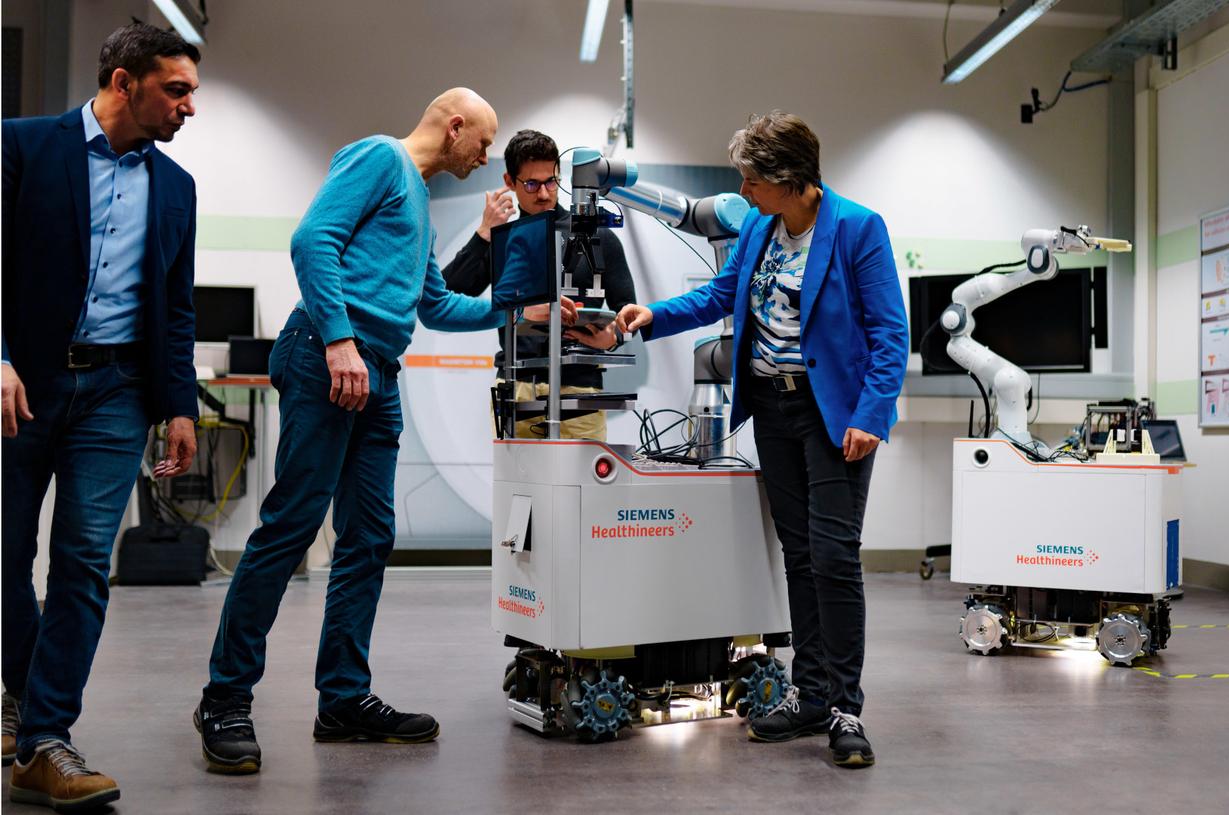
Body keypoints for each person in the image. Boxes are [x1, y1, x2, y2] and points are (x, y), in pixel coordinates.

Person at [194, 88, 507, 775]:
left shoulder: (419, 203)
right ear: (455, 125)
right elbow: (312, 240)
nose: (485, 157)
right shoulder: (381, 158)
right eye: (483, 142)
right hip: (327, 357)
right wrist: (339, 341)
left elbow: (435, 306)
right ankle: (225, 698)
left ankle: (342, 698)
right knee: (290, 527)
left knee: (368, 537)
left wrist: (515, 311)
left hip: (379, 375)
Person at [615, 111, 907, 769]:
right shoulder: (757, 226)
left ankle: (846, 708)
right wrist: (652, 315)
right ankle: (810, 695)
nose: (743, 190)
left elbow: (890, 332)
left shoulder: (857, 228)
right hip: (772, 410)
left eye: (752, 179)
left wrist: (870, 414)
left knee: (834, 556)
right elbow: (722, 295)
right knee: (799, 555)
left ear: (790, 178)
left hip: (833, 416)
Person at [1, 22, 201, 811]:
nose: (189, 106)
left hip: (117, 391)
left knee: (83, 561)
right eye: (176, 90)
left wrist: (178, 405)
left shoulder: (177, 186)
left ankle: (44, 735)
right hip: (23, 384)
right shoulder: (22, 146)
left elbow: (176, 307)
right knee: (6, 558)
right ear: (124, 82)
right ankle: (27, 704)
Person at [441, 129, 635, 439]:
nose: (543, 193)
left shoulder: (599, 236)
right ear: (509, 181)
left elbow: (629, 312)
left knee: (582, 474)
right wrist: (483, 234)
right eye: (531, 184)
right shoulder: (501, 239)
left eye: (551, 182)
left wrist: (613, 337)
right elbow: (445, 294)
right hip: (515, 388)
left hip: (580, 389)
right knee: (517, 474)